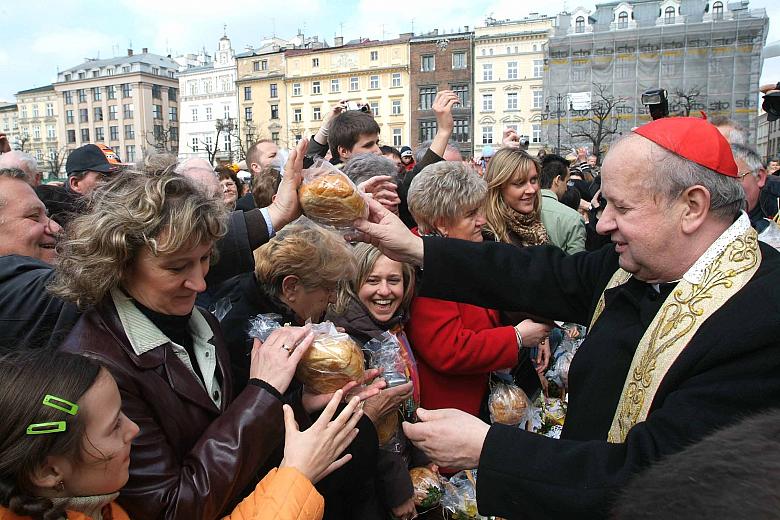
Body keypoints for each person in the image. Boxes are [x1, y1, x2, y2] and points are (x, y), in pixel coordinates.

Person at [352, 116, 780, 519]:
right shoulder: (638, 260)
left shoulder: (761, 318)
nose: (604, 222)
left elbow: (658, 474)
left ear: (692, 206)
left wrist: (490, 449)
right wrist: (417, 249)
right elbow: (538, 273)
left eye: (622, 208)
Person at [49, 170, 365, 520]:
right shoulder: (96, 364)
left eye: (203, 259)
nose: (199, 282)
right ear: (119, 263)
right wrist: (262, 392)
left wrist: (291, 404)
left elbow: (222, 442)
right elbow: (172, 508)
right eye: (176, 267)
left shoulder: (201, 322)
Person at [0, 349, 364, 520]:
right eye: (114, 426)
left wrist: (293, 471)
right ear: (48, 472)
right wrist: (296, 477)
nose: (135, 429)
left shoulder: (101, 504)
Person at [405, 161, 550, 422]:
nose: (481, 221)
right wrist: (516, 337)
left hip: (478, 400)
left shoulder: (460, 256)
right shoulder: (427, 270)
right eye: (471, 214)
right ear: (442, 224)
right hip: (453, 410)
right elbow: (449, 348)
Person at [327, 244, 419, 520]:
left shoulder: (393, 328)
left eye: (394, 280)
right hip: (370, 494)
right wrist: (398, 489)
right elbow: (365, 428)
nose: (384, 291)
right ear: (354, 285)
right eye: (372, 281)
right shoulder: (346, 344)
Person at [35, 144, 122, 227]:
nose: (115, 182)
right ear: (75, 184)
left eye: (118, 176)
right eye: (105, 178)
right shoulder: (52, 219)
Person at [482, 147, 550, 248]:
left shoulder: (536, 227)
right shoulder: (489, 239)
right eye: (520, 183)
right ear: (498, 186)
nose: (531, 190)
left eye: (533, 180)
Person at [537, 156, 586, 254]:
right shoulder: (573, 218)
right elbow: (576, 261)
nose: (567, 189)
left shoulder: (520, 208)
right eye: (567, 182)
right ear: (558, 180)